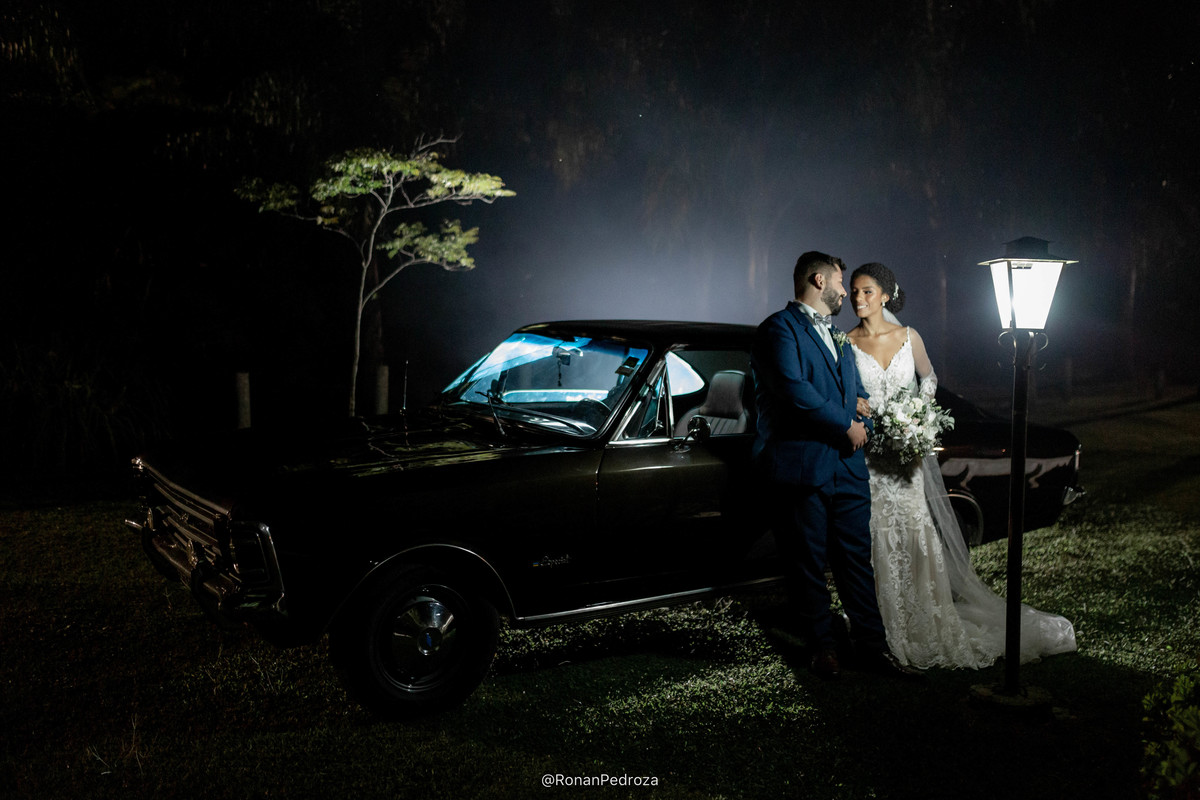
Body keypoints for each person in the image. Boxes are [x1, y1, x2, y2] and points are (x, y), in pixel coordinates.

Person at [846, 261, 1077, 669]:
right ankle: (882, 625)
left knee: (915, 535)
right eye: (854, 292)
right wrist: (857, 404)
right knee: (877, 537)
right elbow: (844, 391)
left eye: (867, 291)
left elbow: (930, 379)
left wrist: (916, 416)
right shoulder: (847, 343)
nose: (858, 299)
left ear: (885, 295)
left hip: (907, 459)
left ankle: (924, 620)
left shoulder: (908, 337)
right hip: (872, 462)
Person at [752, 251, 919, 680]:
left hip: (848, 467)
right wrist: (845, 423)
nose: (846, 292)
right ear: (818, 280)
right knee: (807, 562)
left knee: (856, 561)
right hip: (804, 464)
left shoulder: (839, 336)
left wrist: (863, 415)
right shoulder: (778, 329)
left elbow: (857, 391)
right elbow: (793, 389)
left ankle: (873, 647)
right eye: (841, 283)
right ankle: (822, 649)